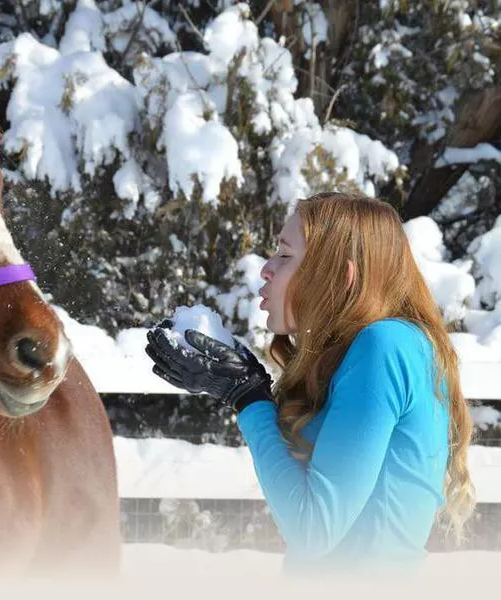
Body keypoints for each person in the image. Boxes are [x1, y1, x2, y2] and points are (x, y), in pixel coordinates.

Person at [145, 192, 475, 573]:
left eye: (285, 255)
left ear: (342, 276)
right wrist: (243, 386)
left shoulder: (386, 345)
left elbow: (313, 527)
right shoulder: (369, 350)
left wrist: (247, 397)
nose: (267, 269)